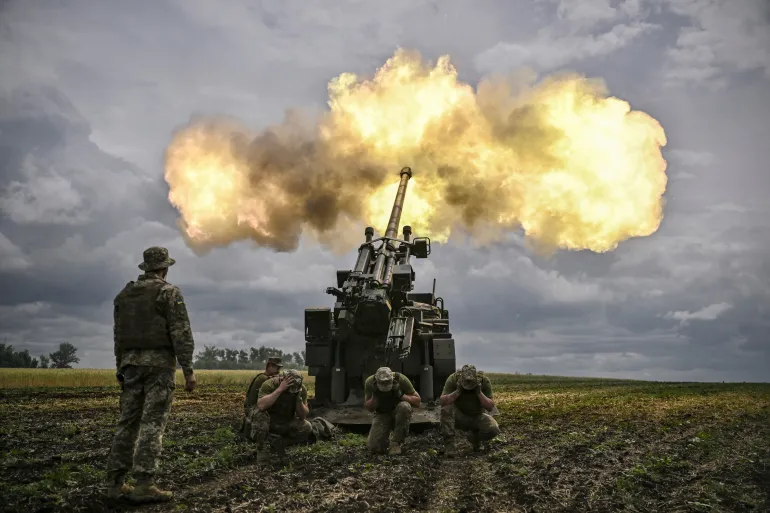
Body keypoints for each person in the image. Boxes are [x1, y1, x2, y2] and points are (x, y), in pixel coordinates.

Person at [105, 246, 197, 503]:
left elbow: (118, 336)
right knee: (152, 424)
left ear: (146, 267)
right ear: (164, 268)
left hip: (130, 365)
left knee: (127, 423)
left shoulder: (124, 295)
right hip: (158, 367)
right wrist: (188, 370)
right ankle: (144, 484)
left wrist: (120, 367)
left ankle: (114, 484)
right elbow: (181, 333)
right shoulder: (169, 292)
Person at [252, 369, 312, 462]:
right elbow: (261, 406)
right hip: (268, 421)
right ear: (282, 379)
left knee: (307, 427)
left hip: (285, 420)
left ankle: (279, 442)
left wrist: (298, 398)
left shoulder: (301, 389)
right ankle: (262, 447)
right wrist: (280, 389)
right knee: (260, 416)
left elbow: (303, 416)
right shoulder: (270, 385)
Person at [439, 364, 500, 455]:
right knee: (446, 409)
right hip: (460, 416)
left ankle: (474, 439)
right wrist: (457, 391)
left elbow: (490, 406)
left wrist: (479, 392)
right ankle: (450, 445)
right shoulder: (453, 379)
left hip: (477, 416)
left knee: (493, 429)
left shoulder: (484, 381)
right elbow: (443, 402)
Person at [363, 367, 421, 455]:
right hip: (382, 413)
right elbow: (370, 408)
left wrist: (401, 395)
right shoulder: (370, 382)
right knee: (374, 448)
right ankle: (384, 440)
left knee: (405, 406)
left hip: (398, 412)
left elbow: (417, 402)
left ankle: (396, 443)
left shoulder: (401, 379)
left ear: (392, 379)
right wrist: (375, 395)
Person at [239, 357, 283, 438]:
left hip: (258, 405)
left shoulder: (268, 377)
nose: (278, 370)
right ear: (269, 366)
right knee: (262, 416)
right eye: (277, 368)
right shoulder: (263, 378)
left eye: (279, 368)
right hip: (252, 407)